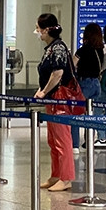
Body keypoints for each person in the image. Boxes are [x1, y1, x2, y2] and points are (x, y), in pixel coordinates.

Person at [34, 13, 74, 192]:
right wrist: (42, 89)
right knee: (53, 139)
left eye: (39, 28)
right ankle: (56, 174)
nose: (37, 32)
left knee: (62, 139)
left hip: (59, 98)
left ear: (47, 30)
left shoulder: (58, 48)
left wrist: (44, 91)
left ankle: (66, 178)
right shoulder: (50, 48)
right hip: (51, 97)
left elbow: (57, 74)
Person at [71, 23, 103, 152]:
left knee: (76, 114)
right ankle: (89, 142)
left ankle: (74, 145)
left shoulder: (83, 50)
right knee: (92, 115)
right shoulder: (100, 50)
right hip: (97, 84)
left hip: (84, 84)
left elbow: (72, 64)